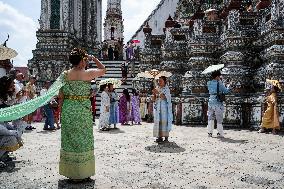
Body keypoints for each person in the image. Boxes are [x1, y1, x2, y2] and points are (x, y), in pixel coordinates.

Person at [58, 48, 106, 182]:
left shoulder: (64, 75)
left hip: (68, 109)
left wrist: (60, 113)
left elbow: (60, 96)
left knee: (69, 139)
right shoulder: (87, 74)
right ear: (80, 62)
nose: (86, 62)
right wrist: (94, 58)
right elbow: (103, 70)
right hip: (83, 111)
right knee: (84, 139)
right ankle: (84, 172)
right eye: (84, 60)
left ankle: (72, 173)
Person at [207, 70, 230, 138]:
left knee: (210, 117)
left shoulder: (209, 83)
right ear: (217, 76)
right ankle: (219, 133)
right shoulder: (219, 83)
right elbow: (226, 91)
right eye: (219, 76)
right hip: (217, 102)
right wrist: (228, 86)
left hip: (210, 101)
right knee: (219, 118)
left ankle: (210, 132)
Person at [152, 76, 173, 143]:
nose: (159, 82)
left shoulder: (166, 89)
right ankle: (159, 137)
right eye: (158, 81)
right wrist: (154, 94)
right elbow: (154, 99)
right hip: (158, 107)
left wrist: (158, 92)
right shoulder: (157, 88)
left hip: (164, 108)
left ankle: (166, 137)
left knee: (164, 122)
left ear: (164, 82)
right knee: (158, 122)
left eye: (161, 81)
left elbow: (165, 97)